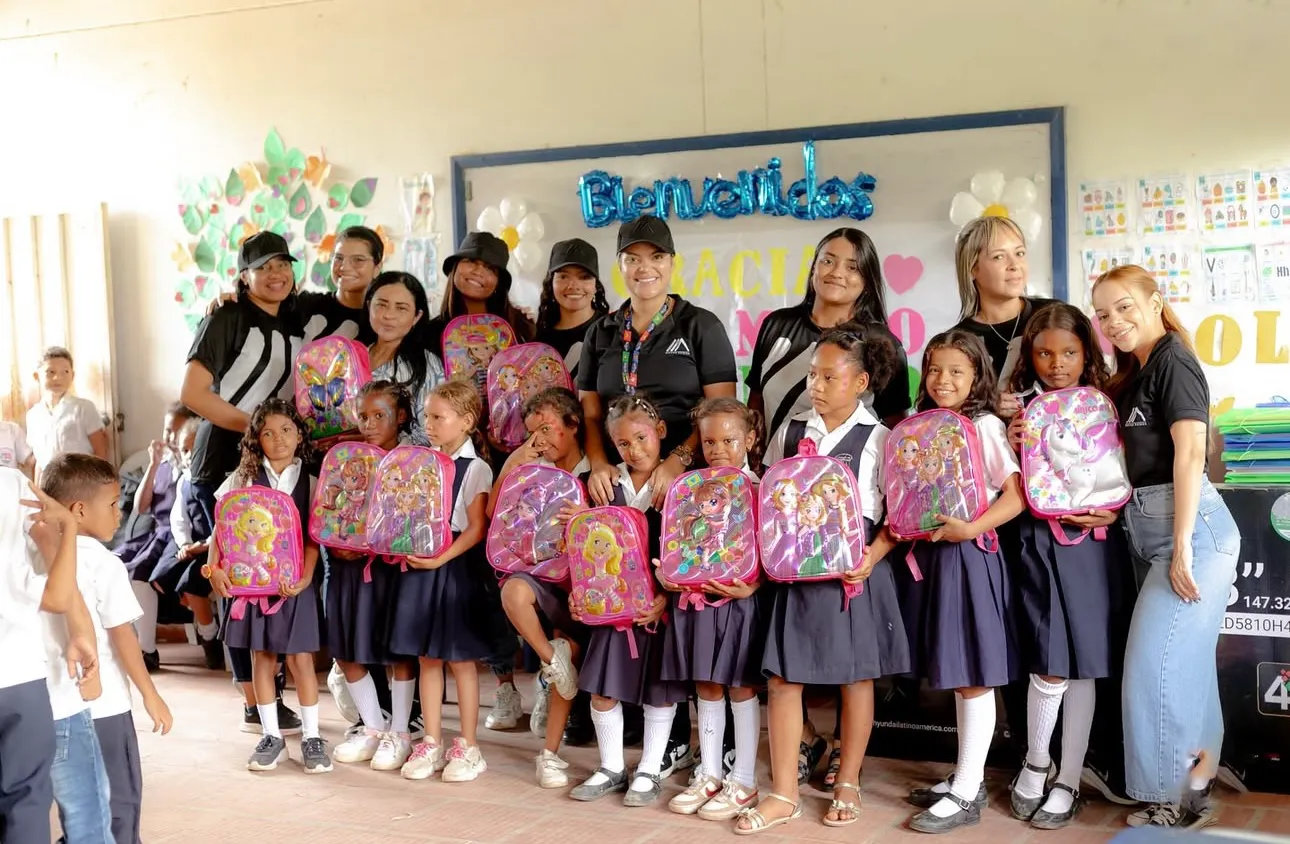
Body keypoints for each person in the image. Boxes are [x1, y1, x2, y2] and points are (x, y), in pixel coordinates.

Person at [745, 227, 909, 786]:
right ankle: (790, 779)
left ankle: (847, 774)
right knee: (784, 671)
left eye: (851, 265)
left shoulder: (881, 433)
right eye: (827, 260)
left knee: (854, 673)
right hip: (791, 558)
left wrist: (876, 549)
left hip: (854, 563)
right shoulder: (790, 422)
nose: (816, 385)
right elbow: (763, 469)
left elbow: (897, 506)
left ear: (862, 381)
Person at [1092, 265, 1239, 829]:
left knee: (1154, 668)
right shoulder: (1139, 369)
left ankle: (1169, 799)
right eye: (1104, 314)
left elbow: (1189, 455)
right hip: (1153, 527)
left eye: (1125, 307)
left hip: (1191, 530)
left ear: (1156, 302)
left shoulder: (1173, 359)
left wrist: (1181, 547)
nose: (1115, 321)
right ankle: (1194, 787)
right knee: (1189, 669)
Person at [1002, 304, 1128, 829]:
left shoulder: (1108, 402)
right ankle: (1036, 761)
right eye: (1045, 353)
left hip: (1092, 542)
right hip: (1037, 537)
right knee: (1048, 655)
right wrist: (1011, 443)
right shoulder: (1017, 410)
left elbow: (1124, 471)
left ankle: (1069, 777)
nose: (1057, 363)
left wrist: (1114, 507)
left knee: (1084, 658)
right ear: (1029, 355)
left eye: (1070, 352)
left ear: (1087, 353)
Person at [898, 330, 1026, 834]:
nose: (942, 380)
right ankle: (962, 777)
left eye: (956, 371)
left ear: (977, 376)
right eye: (934, 369)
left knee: (972, 670)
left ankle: (969, 792)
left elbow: (1015, 496)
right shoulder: (920, 426)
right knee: (955, 665)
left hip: (970, 555)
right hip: (933, 561)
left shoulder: (986, 426)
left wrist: (970, 529)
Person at [180, 231, 304, 735]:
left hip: (273, 465)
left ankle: (268, 692)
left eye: (284, 265)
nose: (276, 274)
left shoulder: (294, 318)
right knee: (237, 581)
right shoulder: (226, 316)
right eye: (264, 266)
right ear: (243, 274)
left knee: (272, 573)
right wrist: (255, 426)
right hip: (222, 466)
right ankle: (254, 699)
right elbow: (192, 393)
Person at [42, 453, 174, 844]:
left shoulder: (33, 554)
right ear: (78, 510)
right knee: (119, 806)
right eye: (114, 504)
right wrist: (151, 695)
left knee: (78, 811)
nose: (120, 514)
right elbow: (123, 637)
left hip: (49, 707)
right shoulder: (103, 563)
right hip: (103, 709)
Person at [566, 390, 687, 808]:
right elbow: (582, 550)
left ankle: (650, 768)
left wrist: (668, 600)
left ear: (661, 432)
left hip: (657, 611)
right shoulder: (602, 484)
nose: (633, 450)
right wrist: (579, 597)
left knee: (659, 690)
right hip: (611, 612)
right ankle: (612, 767)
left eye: (642, 439)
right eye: (623, 443)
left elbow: (691, 551)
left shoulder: (678, 486)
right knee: (603, 689)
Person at [580, 215, 739, 509]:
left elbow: (722, 412)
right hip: (616, 484)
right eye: (632, 259)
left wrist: (678, 461)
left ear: (672, 262)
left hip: (688, 483)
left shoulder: (701, 326)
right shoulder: (600, 333)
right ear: (620, 265)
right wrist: (599, 464)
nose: (645, 268)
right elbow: (590, 415)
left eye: (656, 256)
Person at [206, 399, 327, 774]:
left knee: (301, 660)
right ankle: (272, 736)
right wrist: (214, 568)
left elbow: (312, 538)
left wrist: (306, 577)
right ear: (256, 439)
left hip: (294, 585)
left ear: (300, 434)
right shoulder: (242, 478)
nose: (278, 439)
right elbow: (221, 529)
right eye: (268, 433)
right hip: (253, 588)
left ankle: (311, 736)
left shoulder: (311, 480)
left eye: (287, 430)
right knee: (263, 658)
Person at [662, 397, 763, 823]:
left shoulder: (761, 486)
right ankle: (707, 772)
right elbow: (677, 545)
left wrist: (753, 585)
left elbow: (778, 546)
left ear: (751, 439)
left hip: (740, 602)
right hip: (697, 601)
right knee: (706, 683)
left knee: (740, 685)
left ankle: (743, 778)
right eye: (709, 441)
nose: (718, 448)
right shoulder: (688, 490)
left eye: (729, 439)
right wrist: (669, 572)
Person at [390, 380, 494, 783]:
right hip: (421, 564)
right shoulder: (421, 462)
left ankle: (468, 745)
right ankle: (431, 740)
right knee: (426, 656)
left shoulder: (476, 467)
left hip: (454, 568)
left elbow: (476, 528)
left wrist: (441, 559)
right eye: (427, 416)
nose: (429, 424)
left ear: (466, 421)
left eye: (438, 417)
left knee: (460, 658)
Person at [492, 388, 592, 787]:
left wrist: (586, 518)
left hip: (582, 582)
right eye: (533, 433)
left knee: (570, 645)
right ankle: (551, 663)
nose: (541, 442)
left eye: (548, 430)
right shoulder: (527, 471)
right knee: (512, 593)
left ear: (573, 425)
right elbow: (493, 515)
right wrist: (513, 463)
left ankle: (549, 755)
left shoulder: (594, 473)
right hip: (537, 574)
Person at [0, 467, 94, 843]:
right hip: (16, 674)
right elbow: (57, 594)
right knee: (25, 800)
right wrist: (69, 527)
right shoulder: (10, 483)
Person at [330, 381, 420, 772]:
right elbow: (328, 513)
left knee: (398, 649)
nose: (368, 424)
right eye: (363, 416)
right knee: (346, 647)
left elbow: (421, 521)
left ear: (400, 417)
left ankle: (400, 731)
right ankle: (372, 726)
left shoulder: (414, 461)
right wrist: (338, 543)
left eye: (379, 415)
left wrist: (379, 545)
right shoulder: (342, 459)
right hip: (348, 570)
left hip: (394, 570)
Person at [115, 402, 196, 672]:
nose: (171, 439)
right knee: (116, 566)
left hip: (177, 535)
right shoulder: (161, 466)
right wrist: (153, 464)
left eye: (177, 432)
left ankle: (146, 649)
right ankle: (134, 645)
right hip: (156, 532)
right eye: (167, 431)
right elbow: (141, 506)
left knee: (140, 575)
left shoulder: (191, 464)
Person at [951, 216, 1058, 404]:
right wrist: (989, 407)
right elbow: (947, 417)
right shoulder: (958, 341)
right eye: (998, 257)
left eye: (1020, 253)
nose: (1014, 265)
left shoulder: (1055, 315)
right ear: (972, 269)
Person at [365, 272, 447, 445]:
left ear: (416, 316)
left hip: (400, 467)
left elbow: (433, 432)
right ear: (368, 306)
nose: (389, 315)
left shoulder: (427, 366)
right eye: (381, 305)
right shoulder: (349, 357)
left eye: (401, 308)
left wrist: (385, 442)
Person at [425, 231, 535, 359]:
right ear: (454, 268)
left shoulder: (520, 326)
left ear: (498, 283)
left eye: (490, 268)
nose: (478, 272)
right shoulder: (429, 333)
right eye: (471, 261)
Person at [535, 238, 611, 382]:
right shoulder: (540, 342)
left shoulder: (611, 331)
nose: (573, 285)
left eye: (584, 277)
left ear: (596, 285)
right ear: (551, 283)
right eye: (563, 276)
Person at [27, 346, 110, 476]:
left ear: (72, 375)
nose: (57, 378)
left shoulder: (84, 408)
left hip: (81, 481)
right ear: (36, 376)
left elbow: (101, 451)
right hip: (50, 485)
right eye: (51, 372)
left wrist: (96, 485)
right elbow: (39, 461)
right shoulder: (33, 416)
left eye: (65, 372)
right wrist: (38, 494)